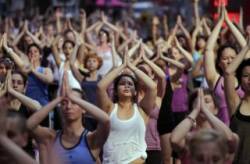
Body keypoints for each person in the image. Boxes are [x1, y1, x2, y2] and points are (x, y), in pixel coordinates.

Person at [27, 72, 110, 164]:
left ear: (83, 109)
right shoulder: (52, 137)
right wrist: (58, 99)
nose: (68, 106)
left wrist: (71, 96)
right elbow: (29, 125)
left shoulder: (91, 139)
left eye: (74, 103)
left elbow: (105, 120)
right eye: (64, 103)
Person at [97, 51, 157, 163]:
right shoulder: (110, 108)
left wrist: (132, 67)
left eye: (130, 84)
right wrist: (121, 67)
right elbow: (100, 87)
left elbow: (153, 87)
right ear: (115, 91)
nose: (126, 86)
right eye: (122, 83)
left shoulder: (142, 110)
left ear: (135, 92)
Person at [170, 89, 239, 164]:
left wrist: (206, 111)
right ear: (191, 110)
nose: (203, 105)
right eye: (198, 103)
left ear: (216, 109)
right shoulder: (188, 138)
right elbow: (174, 140)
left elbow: (229, 139)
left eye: (206, 101)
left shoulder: (226, 136)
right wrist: (196, 110)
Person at [204, 8, 246, 126]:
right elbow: (208, 50)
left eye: (233, 57)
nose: (229, 61)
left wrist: (229, 22)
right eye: (225, 58)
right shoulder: (215, 79)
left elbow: (246, 47)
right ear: (219, 63)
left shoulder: (245, 79)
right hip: (222, 133)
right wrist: (220, 22)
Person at [224, 39, 250, 164]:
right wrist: (247, 47)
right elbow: (228, 73)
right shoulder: (235, 104)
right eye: (245, 76)